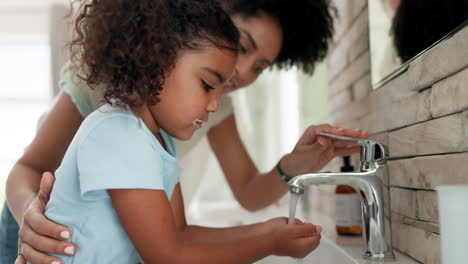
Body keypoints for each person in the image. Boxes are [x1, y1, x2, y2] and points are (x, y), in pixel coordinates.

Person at [1, 0, 368, 263]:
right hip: (34, 226)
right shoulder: (116, 123)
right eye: (241, 46)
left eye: (260, 67)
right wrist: (268, 242)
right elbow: (168, 254)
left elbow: (205, 219)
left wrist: (293, 172)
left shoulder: (167, 132)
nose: (240, 75)